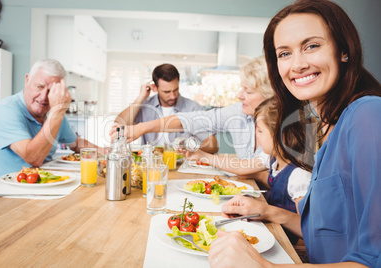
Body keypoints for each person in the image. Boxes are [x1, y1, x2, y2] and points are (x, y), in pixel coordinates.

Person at [208, 0, 381, 267]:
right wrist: (268, 212)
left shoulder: (368, 116)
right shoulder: (323, 128)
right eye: (284, 53)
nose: (297, 64)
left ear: (344, 50)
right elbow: (329, 235)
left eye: (312, 46)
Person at [112, 57, 274, 173]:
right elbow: (190, 120)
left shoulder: (282, 128)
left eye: (248, 91)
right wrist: (141, 125)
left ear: (270, 95)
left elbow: (248, 166)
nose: (239, 95)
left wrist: (202, 154)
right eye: (241, 88)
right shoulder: (238, 111)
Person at [0, 59, 104, 184]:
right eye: (39, 87)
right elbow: (33, 158)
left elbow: (76, 143)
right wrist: (57, 112)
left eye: (51, 91)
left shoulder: (52, 113)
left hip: (33, 187)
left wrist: (107, 152)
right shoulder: (5, 109)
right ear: (27, 80)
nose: (44, 97)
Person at [113, 63, 218, 153]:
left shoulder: (192, 108)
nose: (173, 96)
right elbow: (120, 124)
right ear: (155, 87)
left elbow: (213, 145)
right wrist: (141, 98)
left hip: (182, 167)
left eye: (175, 90)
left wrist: (189, 150)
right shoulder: (145, 106)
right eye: (166, 92)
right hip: (149, 166)